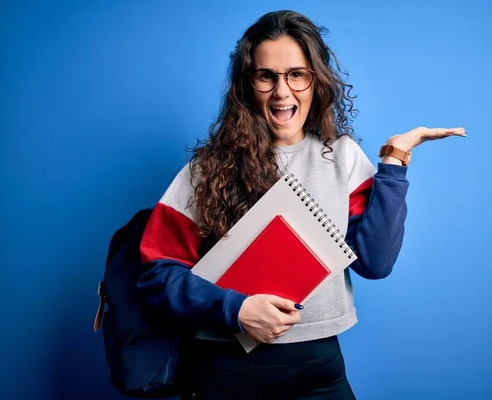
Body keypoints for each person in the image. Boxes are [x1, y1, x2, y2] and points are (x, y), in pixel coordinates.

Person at [136, 9, 466, 400]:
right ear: (246, 84)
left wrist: (394, 162)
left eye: (297, 74)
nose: (282, 92)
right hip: (225, 370)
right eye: (266, 76)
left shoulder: (341, 156)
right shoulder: (206, 168)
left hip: (319, 370)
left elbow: (375, 264)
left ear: (316, 81)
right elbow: (155, 276)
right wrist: (234, 309)